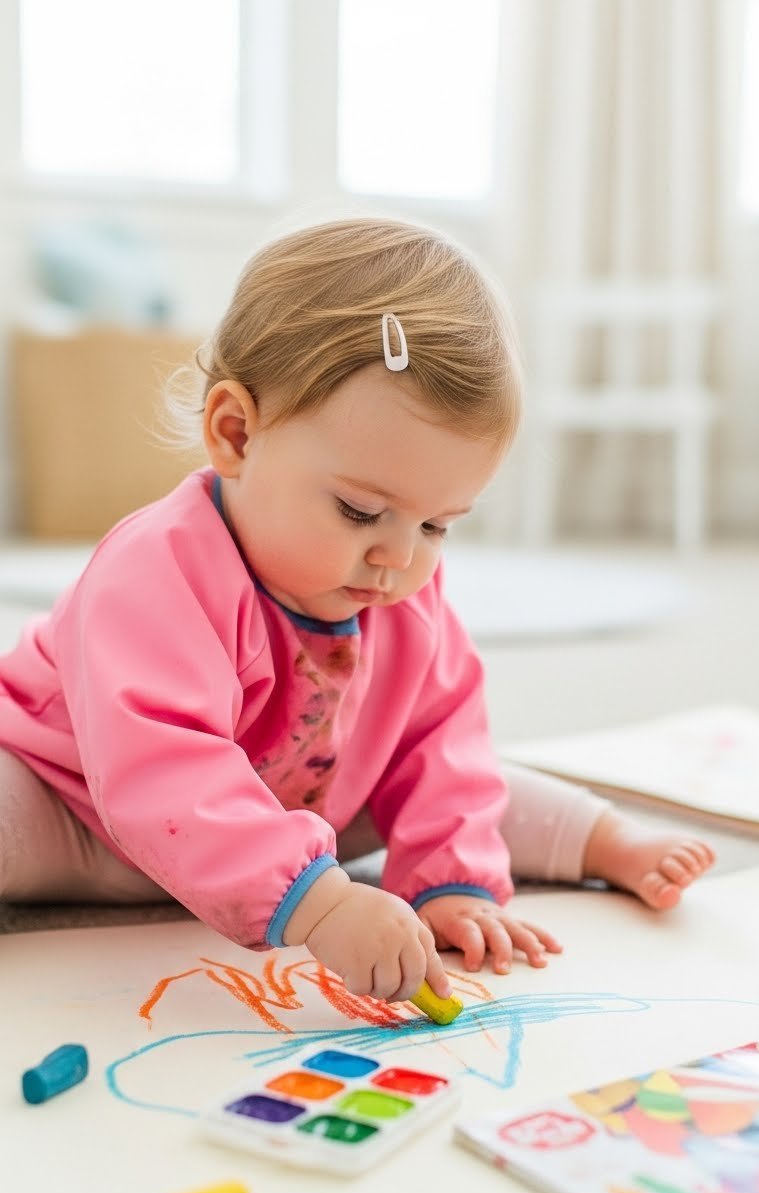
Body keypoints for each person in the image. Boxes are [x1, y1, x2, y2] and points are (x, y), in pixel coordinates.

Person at [0, 219, 714, 1004]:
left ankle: (603, 839)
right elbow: (161, 766)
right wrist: (321, 901)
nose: (400, 559)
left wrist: (454, 884)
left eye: (438, 524)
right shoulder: (152, 571)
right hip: (78, 807)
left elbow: (442, 739)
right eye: (360, 510)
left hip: (300, 804)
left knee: (465, 779)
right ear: (236, 433)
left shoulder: (401, 588)